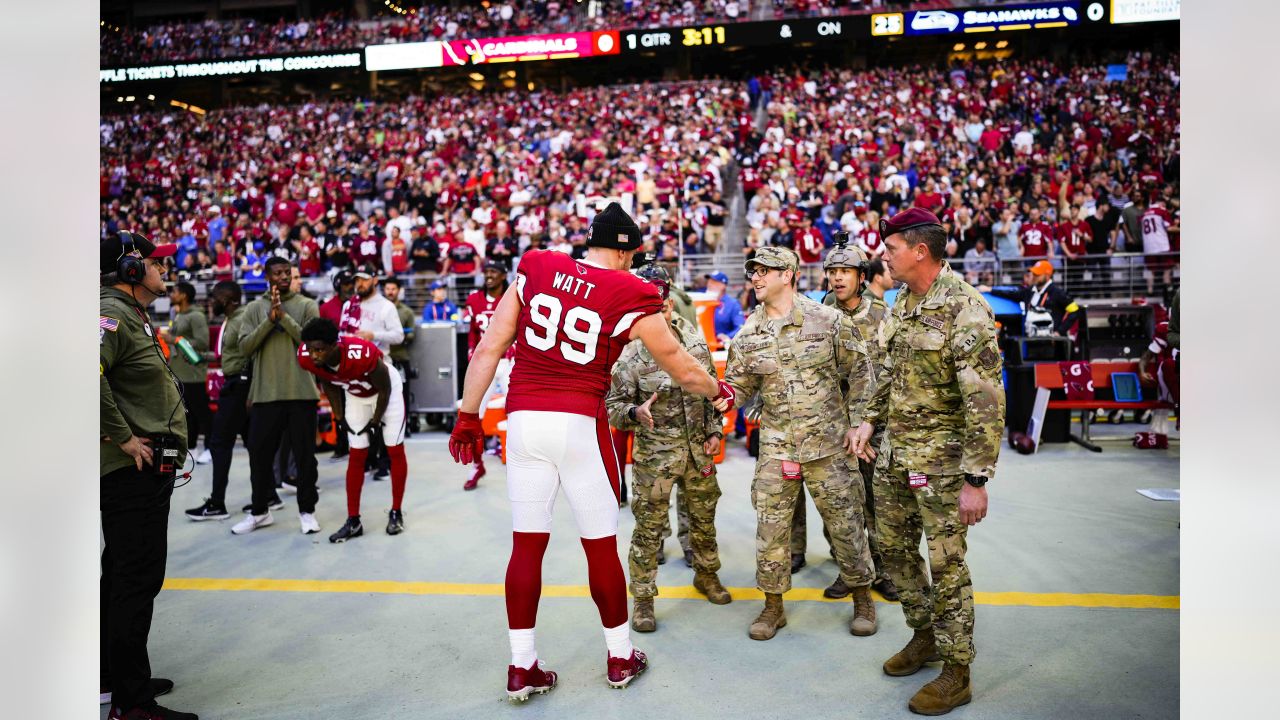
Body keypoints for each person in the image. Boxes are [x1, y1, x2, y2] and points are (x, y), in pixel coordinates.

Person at [446, 202, 732, 699]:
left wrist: (468, 415)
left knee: (526, 546)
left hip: (526, 421)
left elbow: (489, 348)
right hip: (579, 422)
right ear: (626, 251)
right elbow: (683, 368)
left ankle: (522, 666)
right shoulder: (631, 289)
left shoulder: (537, 265)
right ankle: (620, 657)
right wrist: (718, 392)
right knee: (599, 545)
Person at [851, 207, 1005, 716]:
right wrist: (869, 421)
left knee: (946, 564)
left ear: (920, 250)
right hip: (897, 455)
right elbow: (888, 374)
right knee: (892, 552)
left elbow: (985, 399)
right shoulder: (902, 303)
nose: (884, 256)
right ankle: (924, 636)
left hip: (943, 464)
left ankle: (957, 669)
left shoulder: (965, 308)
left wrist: (976, 478)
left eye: (891, 248)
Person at [717, 245, 878, 642]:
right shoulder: (749, 334)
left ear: (787, 274)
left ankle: (863, 598)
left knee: (846, 526)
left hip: (829, 445)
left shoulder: (828, 320)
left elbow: (861, 373)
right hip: (777, 447)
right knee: (771, 530)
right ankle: (773, 607)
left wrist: (859, 423)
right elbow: (739, 386)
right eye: (752, 271)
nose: (755, 278)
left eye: (763, 271)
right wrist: (724, 396)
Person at [99, 231, 199, 720]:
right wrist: (123, 437)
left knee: (119, 573)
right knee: (135, 581)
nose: (163, 268)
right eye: (150, 261)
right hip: (130, 470)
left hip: (140, 468)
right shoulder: (112, 314)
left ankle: (113, 676)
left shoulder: (129, 315)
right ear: (129, 271)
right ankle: (132, 703)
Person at [606, 263, 731, 634]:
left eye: (664, 305)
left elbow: (711, 391)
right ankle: (643, 598)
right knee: (648, 528)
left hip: (698, 452)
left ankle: (706, 576)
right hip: (655, 457)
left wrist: (715, 430)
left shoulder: (692, 340)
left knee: (704, 521)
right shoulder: (629, 353)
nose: (661, 311)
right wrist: (633, 411)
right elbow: (613, 408)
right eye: (652, 306)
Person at [810, 235, 898, 601]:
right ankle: (851, 568)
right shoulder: (818, 315)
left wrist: (871, 423)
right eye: (832, 271)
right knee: (840, 502)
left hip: (873, 426)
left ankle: (884, 569)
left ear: (862, 276)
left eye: (846, 271)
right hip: (832, 427)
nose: (838, 278)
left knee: (879, 501)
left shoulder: (881, 315)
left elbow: (893, 369)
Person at [231, 256, 322, 536]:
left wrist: (284, 317)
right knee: (259, 456)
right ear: (267, 276)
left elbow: (313, 343)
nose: (283, 277)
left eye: (287, 272)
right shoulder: (254, 308)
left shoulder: (307, 305)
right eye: (277, 273)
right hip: (265, 394)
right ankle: (260, 512)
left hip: (301, 392)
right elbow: (245, 347)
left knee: (305, 457)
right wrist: (269, 321)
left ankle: (307, 512)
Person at [299, 318, 409, 540]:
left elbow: (385, 388)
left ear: (334, 345)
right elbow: (328, 380)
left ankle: (396, 511)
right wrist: (339, 416)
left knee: (393, 449)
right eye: (310, 350)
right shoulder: (308, 357)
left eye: (319, 350)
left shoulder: (362, 353)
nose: (314, 355)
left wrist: (376, 421)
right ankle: (353, 520)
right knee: (356, 454)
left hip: (386, 391)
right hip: (356, 394)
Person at [185, 281, 274, 521]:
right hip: (237, 383)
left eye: (215, 297)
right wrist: (196, 355)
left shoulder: (242, 319)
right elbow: (229, 355)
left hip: (239, 386)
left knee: (219, 442)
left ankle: (217, 504)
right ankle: (270, 494)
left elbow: (254, 353)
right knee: (251, 443)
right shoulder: (230, 319)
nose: (210, 301)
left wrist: (252, 388)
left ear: (228, 299)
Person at [462, 260, 514, 491]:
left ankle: (520, 464)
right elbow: (473, 331)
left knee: (518, 415)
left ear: (503, 275)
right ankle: (476, 465)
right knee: (473, 413)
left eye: (494, 272)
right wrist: (472, 351)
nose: (489, 275)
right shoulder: (474, 300)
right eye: (487, 272)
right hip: (485, 362)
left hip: (510, 360)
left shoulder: (514, 296)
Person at [163, 281, 211, 465]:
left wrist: (174, 339)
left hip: (193, 373)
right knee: (187, 414)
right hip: (179, 372)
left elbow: (201, 343)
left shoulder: (196, 316)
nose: (171, 294)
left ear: (183, 295)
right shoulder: (177, 314)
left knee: (202, 413)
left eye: (174, 291)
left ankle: (210, 448)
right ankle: (192, 447)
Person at [319, 269, 355, 459]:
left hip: (354, 362)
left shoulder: (358, 304)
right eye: (346, 284)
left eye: (351, 283)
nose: (350, 287)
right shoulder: (326, 308)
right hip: (334, 362)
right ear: (338, 286)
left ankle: (358, 443)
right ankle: (341, 443)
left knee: (356, 403)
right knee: (337, 405)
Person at [984, 260, 1076, 334]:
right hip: (1030, 338)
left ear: (1047, 276)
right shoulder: (1030, 291)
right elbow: (1012, 294)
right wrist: (990, 289)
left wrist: (1059, 332)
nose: (1034, 276)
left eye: (1037, 274)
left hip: (1050, 341)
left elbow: (1075, 311)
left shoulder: (1057, 292)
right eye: (1033, 273)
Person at [382, 276, 417, 435]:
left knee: (402, 393)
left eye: (393, 289)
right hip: (382, 359)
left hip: (401, 358)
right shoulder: (379, 309)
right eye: (388, 289)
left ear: (399, 290)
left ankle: (405, 425)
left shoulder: (407, 312)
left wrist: (397, 337)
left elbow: (412, 335)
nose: (390, 292)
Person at [704, 271, 744, 348]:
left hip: (722, 347)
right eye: (708, 282)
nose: (709, 284)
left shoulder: (732, 304)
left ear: (723, 286)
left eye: (713, 282)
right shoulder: (703, 301)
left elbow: (740, 327)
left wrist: (726, 336)